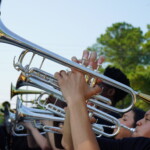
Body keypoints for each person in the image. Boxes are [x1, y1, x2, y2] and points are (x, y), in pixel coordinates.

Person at [54, 52, 150, 150]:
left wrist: (75, 98)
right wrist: (76, 100)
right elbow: (69, 144)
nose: (138, 122)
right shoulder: (133, 144)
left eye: (148, 119)